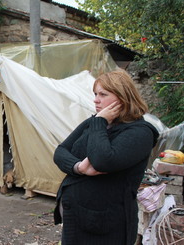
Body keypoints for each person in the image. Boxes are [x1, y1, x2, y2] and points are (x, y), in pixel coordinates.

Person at [53, 69, 159, 244]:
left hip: (104, 225)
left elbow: (102, 160)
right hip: (77, 217)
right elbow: (61, 151)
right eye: (95, 94)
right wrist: (78, 167)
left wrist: (100, 122)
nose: (96, 99)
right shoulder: (94, 121)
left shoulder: (140, 132)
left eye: (103, 94)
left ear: (123, 97)